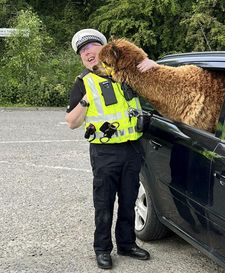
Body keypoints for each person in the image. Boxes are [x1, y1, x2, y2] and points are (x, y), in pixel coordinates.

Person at [65, 29, 158, 270]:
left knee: (128, 200)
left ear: (105, 50)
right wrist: (86, 100)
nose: (87, 52)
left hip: (132, 149)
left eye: (92, 47)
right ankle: (102, 249)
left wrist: (150, 62)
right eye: (82, 51)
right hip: (104, 153)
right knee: (104, 203)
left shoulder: (126, 73)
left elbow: (156, 77)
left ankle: (126, 245)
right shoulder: (83, 81)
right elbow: (72, 122)